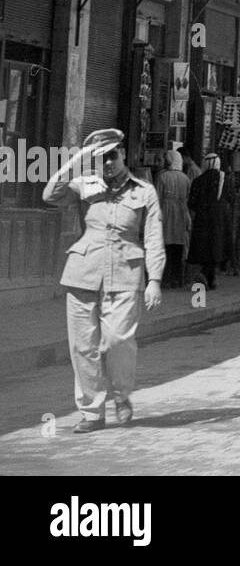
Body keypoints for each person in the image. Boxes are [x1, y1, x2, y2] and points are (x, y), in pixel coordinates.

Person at [43, 129, 164, 432]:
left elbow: (153, 238)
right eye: (100, 158)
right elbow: (50, 195)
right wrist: (77, 161)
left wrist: (155, 280)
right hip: (83, 273)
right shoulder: (85, 186)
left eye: (112, 155)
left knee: (117, 341)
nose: (107, 162)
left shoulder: (144, 191)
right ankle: (92, 412)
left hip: (126, 275)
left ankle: (121, 396)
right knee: (83, 346)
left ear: (124, 153)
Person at [187, 154, 230, 289]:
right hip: (220, 220)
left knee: (204, 248)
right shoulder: (225, 180)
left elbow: (192, 202)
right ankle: (210, 277)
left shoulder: (199, 180)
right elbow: (231, 198)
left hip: (202, 220)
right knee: (216, 247)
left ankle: (206, 276)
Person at [156, 151, 190, 289]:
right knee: (178, 247)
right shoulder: (185, 178)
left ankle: (165, 279)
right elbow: (188, 195)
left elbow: (157, 198)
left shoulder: (162, 177)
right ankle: (178, 279)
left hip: (166, 213)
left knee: (165, 246)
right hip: (181, 212)